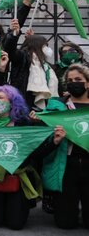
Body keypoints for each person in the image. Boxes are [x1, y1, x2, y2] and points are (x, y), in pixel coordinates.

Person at [0, 85, 65, 230]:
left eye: (2, 98)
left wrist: (54, 142)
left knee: (15, 224)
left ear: (12, 103)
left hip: (17, 177)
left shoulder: (23, 125)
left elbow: (35, 152)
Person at [49, 63, 89, 229]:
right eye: (70, 80)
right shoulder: (56, 106)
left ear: (87, 83)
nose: (74, 83)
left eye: (78, 79)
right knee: (65, 223)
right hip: (66, 163)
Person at [4, 28, 59, 110]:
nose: (47, 49)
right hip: (23, 105)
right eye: (44, 46)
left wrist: (32, 38)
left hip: (42, 108)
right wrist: (14, 34)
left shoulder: (46, 66)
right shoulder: (22, 58)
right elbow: (10, 51)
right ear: (37, 46)